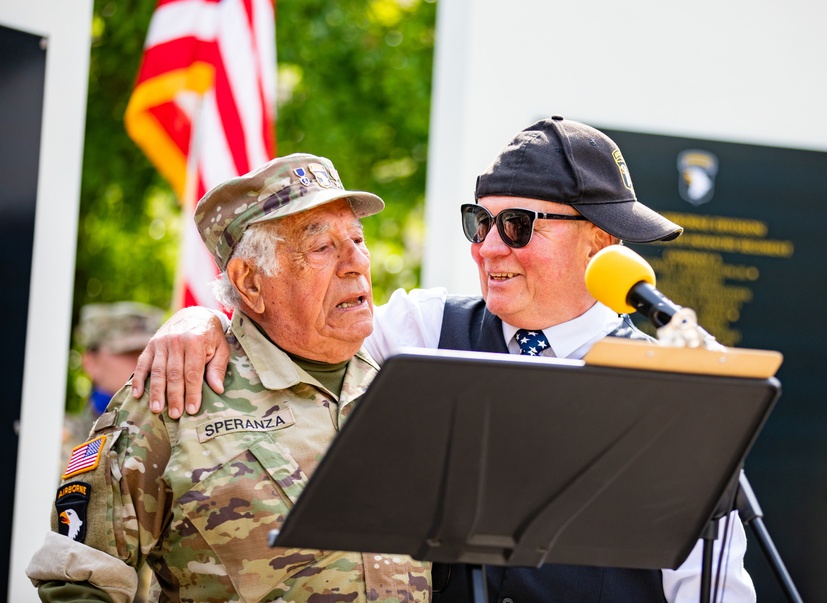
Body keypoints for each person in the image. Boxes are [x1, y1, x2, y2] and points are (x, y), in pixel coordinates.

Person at [134, 117, 756, 602]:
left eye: (516, 225)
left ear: (600, 241)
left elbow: (714, 587)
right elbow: (297, 327)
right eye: (478, 222)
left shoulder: (672, 387)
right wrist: (203, 320)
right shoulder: (426, 329)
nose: (486, 248)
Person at [26, 154, 431, 603]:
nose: (356, 261)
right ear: (250, 282)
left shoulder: (406, 394)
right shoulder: (177, 394)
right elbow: (78, 582)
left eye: (357, 239)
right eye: (323, 248)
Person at [63, 302, 165, 469]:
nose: (145, 361)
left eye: (151, 352)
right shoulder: (63, 442)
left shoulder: (174, 434)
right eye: (128, 352)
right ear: (90, 363)